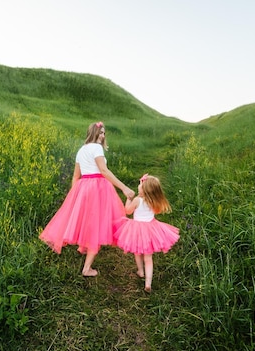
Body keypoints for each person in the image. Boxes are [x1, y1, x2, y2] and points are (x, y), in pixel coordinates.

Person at [39, 121, 135, 277]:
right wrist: (124, 188)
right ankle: (87, 268)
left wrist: (74, 194)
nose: (103, 136)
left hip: (83, 187)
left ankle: (84, 247)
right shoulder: (96, 148)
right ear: (94, 133)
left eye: (104, 133)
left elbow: (76, 176)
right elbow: (104, 170)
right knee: (96, 222)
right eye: (101, 133)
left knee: (87, 219)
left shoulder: (81, 150)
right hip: (97, 187)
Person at [114, 173, 180, 292]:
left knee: (137, 252)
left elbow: (127, 211)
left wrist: (128, 200)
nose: (138, 186)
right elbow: (156, 211)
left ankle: (140, 271)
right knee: (148, 258)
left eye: (140, 184)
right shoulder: (153, 201)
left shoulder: (137, 200)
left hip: (137, 229)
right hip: (151, 229)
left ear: (144, 189)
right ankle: (148, 283)